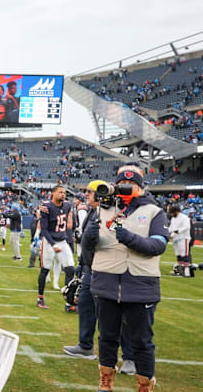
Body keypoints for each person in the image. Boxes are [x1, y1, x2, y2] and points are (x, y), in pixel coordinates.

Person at [83, 164, 167, 392]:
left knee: (142, 341)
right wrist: (87, 238)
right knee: (107, 337)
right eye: (121, 184)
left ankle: (144, 384)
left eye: (131, 184)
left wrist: (130, 238)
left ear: (141, 187)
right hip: (106, 281)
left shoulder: (154, 211)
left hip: (140, 284)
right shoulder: (103, 208)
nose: (126, 188)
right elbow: (89, 247)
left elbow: (159, 245)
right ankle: (106, 380)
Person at [63, 181, 103, 359]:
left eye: (89, 191)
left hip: (104, 268)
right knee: (85, 305)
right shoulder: (93, 212)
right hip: (89, 266)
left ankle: (127, 355)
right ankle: (86, 346)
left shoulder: (110, 213)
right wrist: (82, 263)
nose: (86, 194)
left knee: (105, 312)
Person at [36, 185, 74, 310]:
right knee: (45, 269)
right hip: (49, 241)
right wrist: (53, 244)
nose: (63, 194)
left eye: (64, 192)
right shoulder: (46, 207)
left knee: (70, 270)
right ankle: (40, 298)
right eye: (60, 192)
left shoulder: (67, 205)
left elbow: (66, 221)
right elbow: (45, 230)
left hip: (62, 241)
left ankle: (69, 302)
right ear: (53, 193)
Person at [168, 204, 191, 275]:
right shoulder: (173, 219)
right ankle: (179, 271)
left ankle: (187, 272)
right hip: (176, 238)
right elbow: (171, 228)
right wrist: (168, 232)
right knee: (178, 254)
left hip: (183, 238)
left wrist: (177, 231)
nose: (171, 214)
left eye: (172, 212)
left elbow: (187, 227)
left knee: (184, 253)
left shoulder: (184, 217)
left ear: (177, 211)